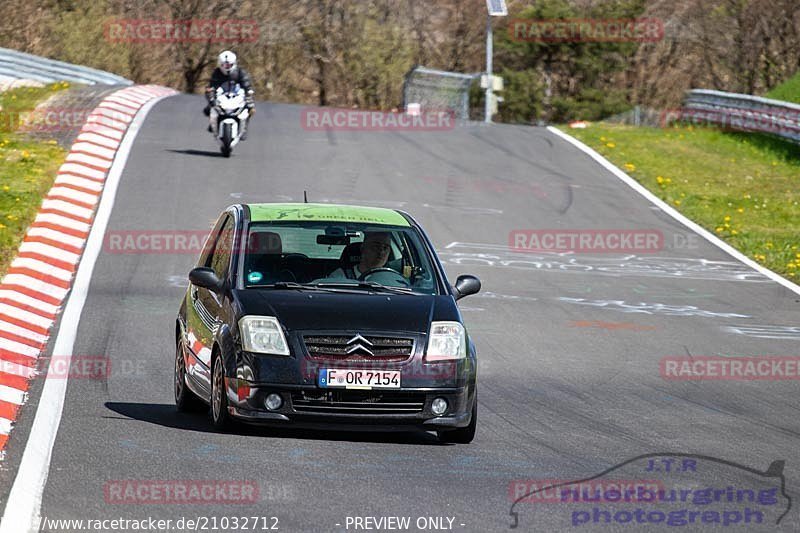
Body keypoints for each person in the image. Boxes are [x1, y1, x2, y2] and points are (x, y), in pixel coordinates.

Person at [203, 50, 255, 139]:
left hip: (237, 95)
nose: (227, 67)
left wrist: (248, 93)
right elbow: (212, 85)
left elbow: (246, 84)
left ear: (234, 63)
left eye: (229, 65)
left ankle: (244, 128)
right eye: (224, 65)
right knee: (208, 109)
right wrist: (211, 94)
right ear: (220, 64)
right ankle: (213, 123)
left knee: (251, 109)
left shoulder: (240, 72)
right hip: (222, 95)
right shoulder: (217, 73)